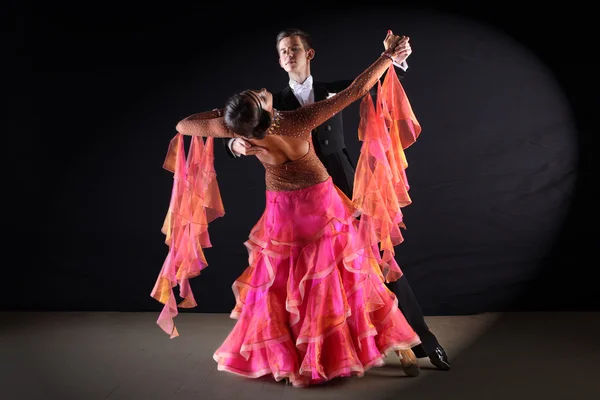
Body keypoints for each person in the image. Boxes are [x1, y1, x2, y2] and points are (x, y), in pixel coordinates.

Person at [152, 31, 421, 388]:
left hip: (282, 213)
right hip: (321, 207)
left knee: (284, 283)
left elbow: (183, 125)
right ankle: (348, 348)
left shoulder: (244, 129)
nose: (261, 89)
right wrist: (386, 58)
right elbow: (356, 89)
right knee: (348, 276)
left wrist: (228, 124)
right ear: (264, 109)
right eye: (257, 96)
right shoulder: (297, 120)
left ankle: (297, 352)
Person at [223, 28, 451, 372]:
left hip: (346, 186)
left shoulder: (331, 89)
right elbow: (235, 126)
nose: (288, 54)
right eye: (283, 50)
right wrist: (235, 145)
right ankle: (313, 354)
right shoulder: (269, 103)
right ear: (278, 58)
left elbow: (366, 83)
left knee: (379, 256)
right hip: (302, 201)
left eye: (294, 49)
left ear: (309, 53)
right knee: (309, 276)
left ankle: (423, 343)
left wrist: (394, 59)